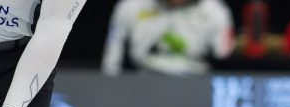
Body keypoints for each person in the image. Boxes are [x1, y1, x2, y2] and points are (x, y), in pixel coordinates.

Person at [101, 0, 235, 76]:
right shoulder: (130, 6)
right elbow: (112, 60)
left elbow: (224, 55)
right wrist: (109, 88)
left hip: (195, 81)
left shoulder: (216, 11)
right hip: (143, 81)